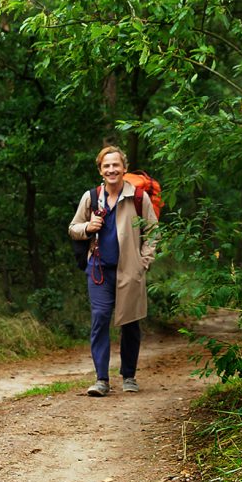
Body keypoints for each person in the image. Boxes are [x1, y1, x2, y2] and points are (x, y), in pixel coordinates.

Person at [68, 145, 158, 396]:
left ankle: (129, 376)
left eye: (115, 165)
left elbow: (153, 232)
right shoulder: (91, 196)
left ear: (124, 168)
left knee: (130, 322)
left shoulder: (139, 197)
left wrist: (144, 262)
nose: (111, 170)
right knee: (100, 320)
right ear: (100, 170)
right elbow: (73, 227)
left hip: (130, 270)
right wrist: (88, 227)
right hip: (98, 270)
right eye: (106, 166)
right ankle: (101, 380)